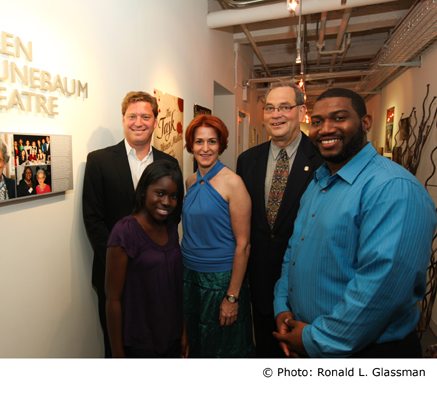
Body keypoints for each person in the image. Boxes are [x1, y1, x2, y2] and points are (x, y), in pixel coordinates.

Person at [273, 88, 437, 358]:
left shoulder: (393, 188)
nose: (326, 129)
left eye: (339, 118)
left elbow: (380, 289)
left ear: (365, 123)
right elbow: (294, 251)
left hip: (367, 353)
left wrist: (315, 339)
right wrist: (282, 306)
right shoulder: (318, 182)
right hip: (306, 337)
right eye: (317, 121)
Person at [83, 91, 179, 358]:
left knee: (156, 341)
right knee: (117, 345)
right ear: (123, 119)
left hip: (156, 273)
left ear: (156, 120)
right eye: (132, 116)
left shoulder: (168, 163)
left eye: (145, 116)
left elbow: (173, 215)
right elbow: (92, 218)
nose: (139, 122)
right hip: (113, 274)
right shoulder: (99, 161)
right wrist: (121, 262)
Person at [236, 82, 323, 357]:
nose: (277, 115)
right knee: (266, 352)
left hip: (307, 284)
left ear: (301, 111)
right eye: (270, 108)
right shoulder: (247, 160)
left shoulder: (323, 160)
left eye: (285, 107)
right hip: (260, 282)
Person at [181, 115, 254, 358]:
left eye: (212, 141)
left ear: (221, 145)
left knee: (223, 348)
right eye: (199, 141)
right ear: (190, 145)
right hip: (190, 276)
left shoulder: (234, 183)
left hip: (221, 281)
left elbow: (243, 245)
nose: (205, 148)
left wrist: (232, 297)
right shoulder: (190, 180)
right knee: (196, 343)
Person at [105, 160, 187, 358]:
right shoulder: (125, 231)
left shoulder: (169, 227)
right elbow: (112, 300)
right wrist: (117, 354)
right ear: (143, 191)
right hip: (139, 344)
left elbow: (176, 288)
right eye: (159, 193)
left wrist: (183, 332)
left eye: (173, 196)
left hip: (171, 339)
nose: (167, 202)